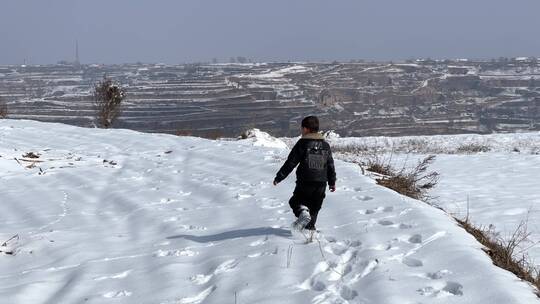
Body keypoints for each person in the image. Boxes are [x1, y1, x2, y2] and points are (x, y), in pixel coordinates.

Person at [273, 116, 337, 236]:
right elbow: (330, 166)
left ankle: (302, 213)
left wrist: (279, 177)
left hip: (305, 181)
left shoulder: (302, 143)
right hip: (321, 183)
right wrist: (332, 182)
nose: (301, 131)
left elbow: (291, 162)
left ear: (306, 129)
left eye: (302, 128)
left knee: (295, 202)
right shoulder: (325, 146)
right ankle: (310, 232)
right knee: (314, 208)